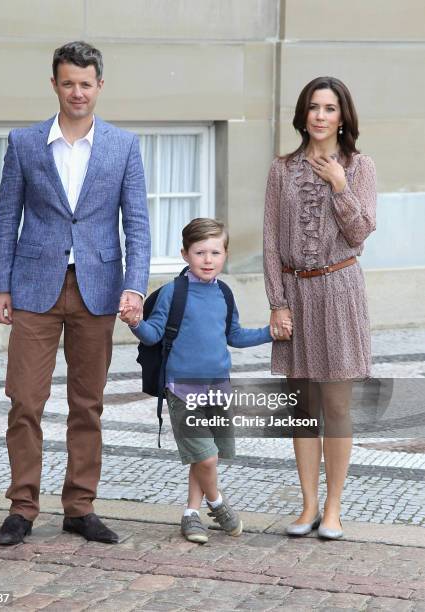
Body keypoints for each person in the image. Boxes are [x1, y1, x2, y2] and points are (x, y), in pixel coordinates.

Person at [0, 41, 151, 545]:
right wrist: (1, 284)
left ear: (99, 85)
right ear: (54, 84)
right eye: (68, 83)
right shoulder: (24, 143)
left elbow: (138, 226)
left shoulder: (123, 146)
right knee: (25, 401)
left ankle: (79, 508)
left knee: (88, 405)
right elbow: (5, 219)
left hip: (98, 290)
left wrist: (135, 286)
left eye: (85, 83)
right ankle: (22, 507)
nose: (77, 92)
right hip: (34, 288)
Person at [121, 218, 292, 543]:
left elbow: (235, 335)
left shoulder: (224, 294)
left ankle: (191, 514)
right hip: (182, 391)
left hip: (218, 391)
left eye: (215, 252)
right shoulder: (174, 292)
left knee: (205, 457)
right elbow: (153, 334)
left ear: (225, 254)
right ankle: (218, 503)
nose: (208, 259)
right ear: (185, 254)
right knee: (207, 456)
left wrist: (271, 334)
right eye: (200, 252)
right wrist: (135, 322)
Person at [263, 76, 376, 539]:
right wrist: (277, 303)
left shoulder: (360, 165)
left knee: (336, 407)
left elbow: (362, 232)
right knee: (303, 408)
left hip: (341, 291)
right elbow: (270, 239)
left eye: (330, 108)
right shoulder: (281, 169)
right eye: (314, 107)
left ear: (343, 116)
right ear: (303, 114)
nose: (321, 116)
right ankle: (307, 505)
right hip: (297, 295)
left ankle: (333, 509)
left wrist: (341, 185)